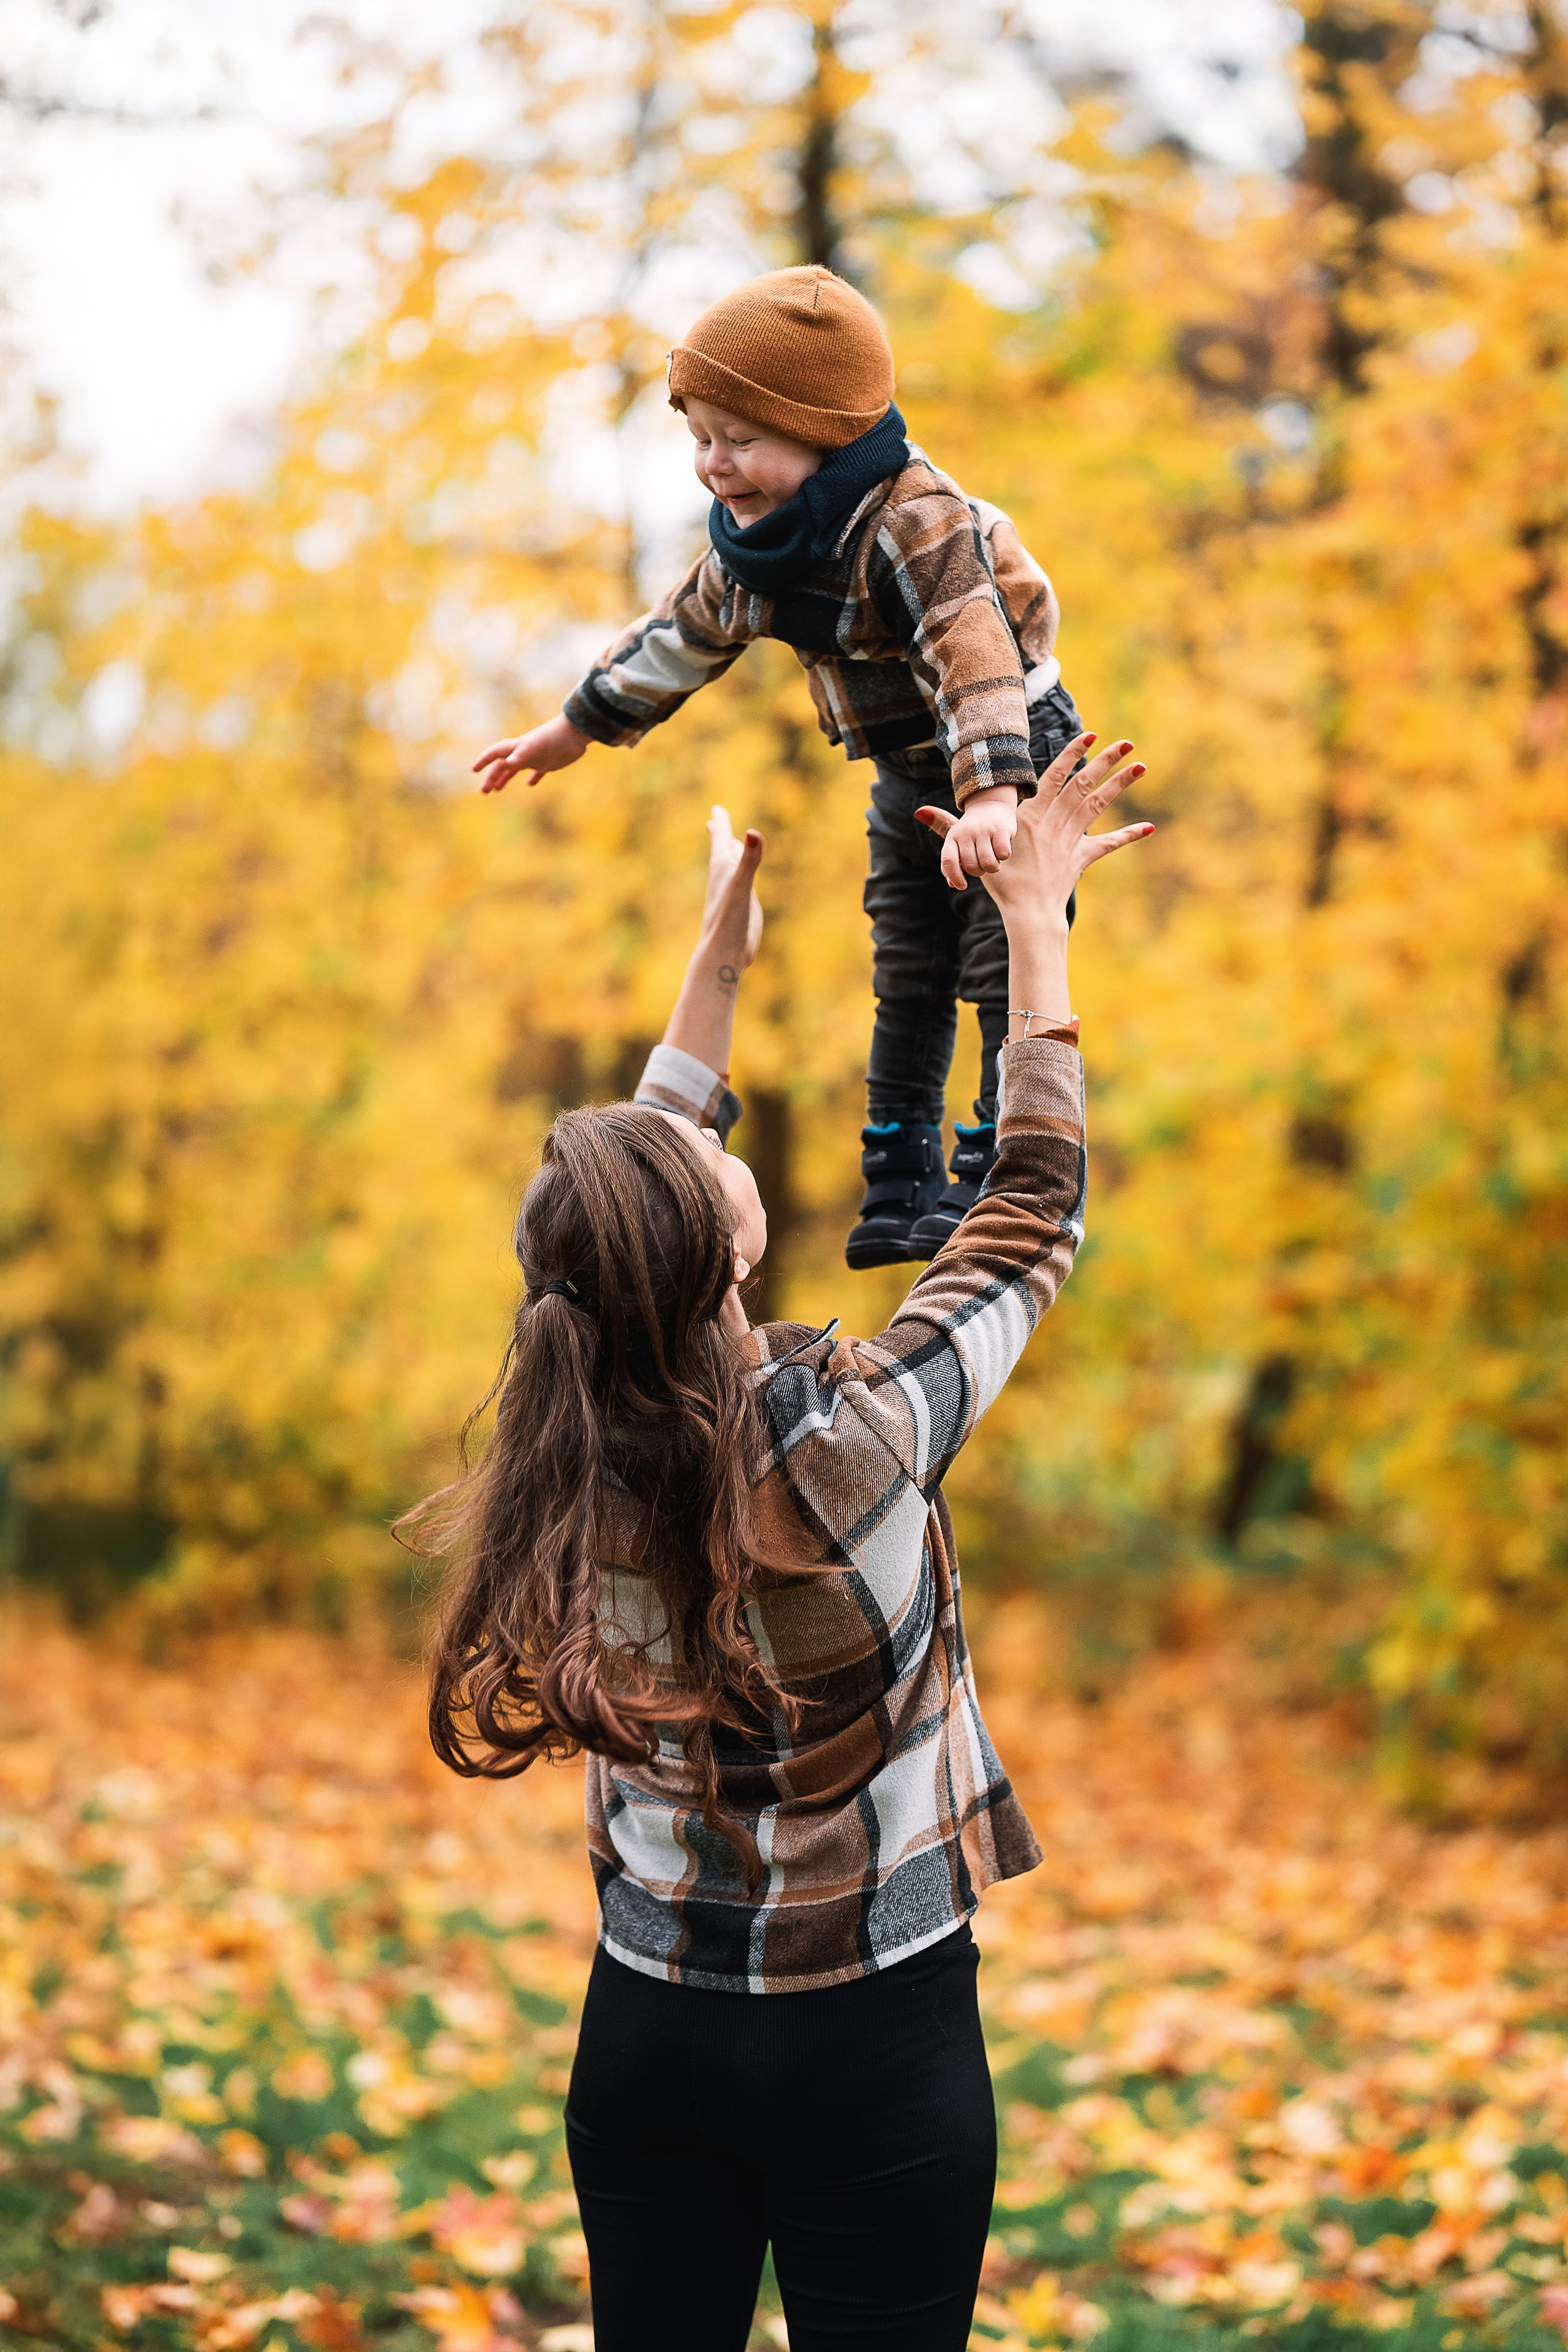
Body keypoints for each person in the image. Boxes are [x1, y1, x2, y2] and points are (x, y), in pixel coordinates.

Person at [402, 732, 1152, 2352]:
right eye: (701, 1160)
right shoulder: (847, 1445)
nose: (701, 1134)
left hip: (647, 2034)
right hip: (869, 2041)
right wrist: (1037, 927)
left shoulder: (558, 1434)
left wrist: (717, 962)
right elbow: (1029, 1210)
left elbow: (625, 1205)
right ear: (727, 1253)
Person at [469, 263, 1090, 1269]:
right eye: (700, 438)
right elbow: (682, 633)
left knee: (996, 959)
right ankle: (897, 1178)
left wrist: (992, 794)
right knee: (907, 968)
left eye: (742, 440)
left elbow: (974, 650)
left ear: (827, 432)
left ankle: (990, 1168)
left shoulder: (913, 521)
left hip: (1011, 748)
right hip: (908, 769)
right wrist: (578, 724)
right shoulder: (760, 542)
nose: (715, 465)